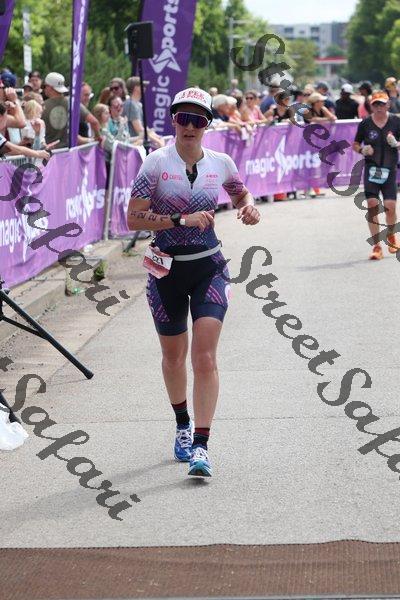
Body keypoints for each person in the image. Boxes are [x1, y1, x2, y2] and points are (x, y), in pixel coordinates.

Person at [127, 87, 260, 477]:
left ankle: (201, 446)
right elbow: (131, 218)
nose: (189, 126)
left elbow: (241, 194)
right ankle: (182, 424)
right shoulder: (155, 163)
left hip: (208, 269)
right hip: (165, 272)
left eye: (197, 120)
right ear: (173, 121)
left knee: (204, 357)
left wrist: (249, 207)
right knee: (173, 358)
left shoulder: (221, 163)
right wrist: (179, 220)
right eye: (183, 118)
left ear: (208, 125)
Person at [353, 90, 400, 260]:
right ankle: (376, 246)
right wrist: (362, 150)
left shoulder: (396, 121)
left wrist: (397, 144)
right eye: (376, 104)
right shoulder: (365, 123)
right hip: (372, 170)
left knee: (390, 207)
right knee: (372, 205)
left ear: (388, 105)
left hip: (389, 170)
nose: (379, 107)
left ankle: (391, 236)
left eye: (382, 104)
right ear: (371, 106)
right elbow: (355, 144)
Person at [42, 72, 101, 147]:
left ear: (50, 87)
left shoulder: (43, 106)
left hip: (51, 151)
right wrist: (97, 137)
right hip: (70, 150)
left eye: (45, 86)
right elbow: (94, 122)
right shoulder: (72, 102)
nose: (44, 89)